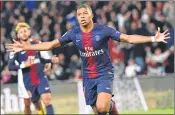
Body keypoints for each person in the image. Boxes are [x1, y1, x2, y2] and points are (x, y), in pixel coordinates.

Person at [6, 4, 170, 114]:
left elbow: (128, 38)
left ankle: (112, 106)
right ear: (77, 18)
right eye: (79, 14)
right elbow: (49, 45)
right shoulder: (74, 33)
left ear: (91, 15)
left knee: (102, 107)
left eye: (85, 13)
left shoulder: (103, 30)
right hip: (88, 76)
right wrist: (25, 47)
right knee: (97, 111)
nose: (82, 16)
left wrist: (152, 39)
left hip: (104, 72)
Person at [7, 22, 59, 114]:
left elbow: (44, 56)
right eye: (21, 32)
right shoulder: (15, 48)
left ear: (29, 32)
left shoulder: (37, 43)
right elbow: (10, 67)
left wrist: (50, 61)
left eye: (25, 31)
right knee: (28, 103)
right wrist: (24, 65)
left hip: (40, 76)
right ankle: (40, 112)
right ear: (18, 35)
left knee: (47, 100)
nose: (24, 33)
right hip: (25, 79)